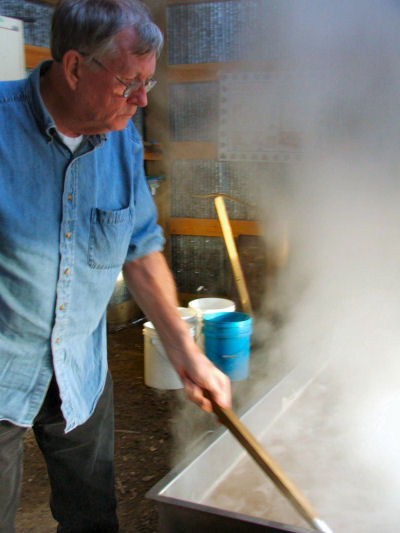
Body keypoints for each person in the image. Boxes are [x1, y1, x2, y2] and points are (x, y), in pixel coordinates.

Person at [0, 1, 231, 532]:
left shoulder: (122, 136)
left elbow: (140, 246)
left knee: (93, 519)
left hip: (80, 366)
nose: (143, 99)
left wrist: (185, 352)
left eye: (147, 83)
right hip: (6, 367)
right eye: (131, 83)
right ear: (76, 67)